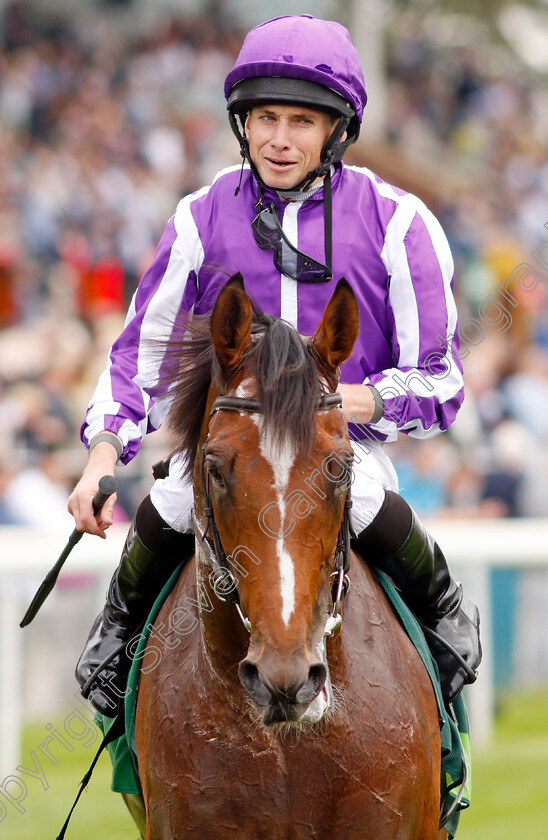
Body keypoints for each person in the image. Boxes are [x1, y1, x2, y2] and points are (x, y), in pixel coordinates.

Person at [68, 14, 481, 717]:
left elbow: (441, 378)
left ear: (336, 131)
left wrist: (348, 403)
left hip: (341, 441)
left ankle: (444, 620)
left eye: (300, 121)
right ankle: (115, 641)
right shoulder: (200, 216)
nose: (279, 140)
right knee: (167, 505)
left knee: (369, 504)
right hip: (229, 442)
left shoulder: (399, 221)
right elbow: (139, 355)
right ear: (243, 123)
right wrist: (102, 451)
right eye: (265, 118)